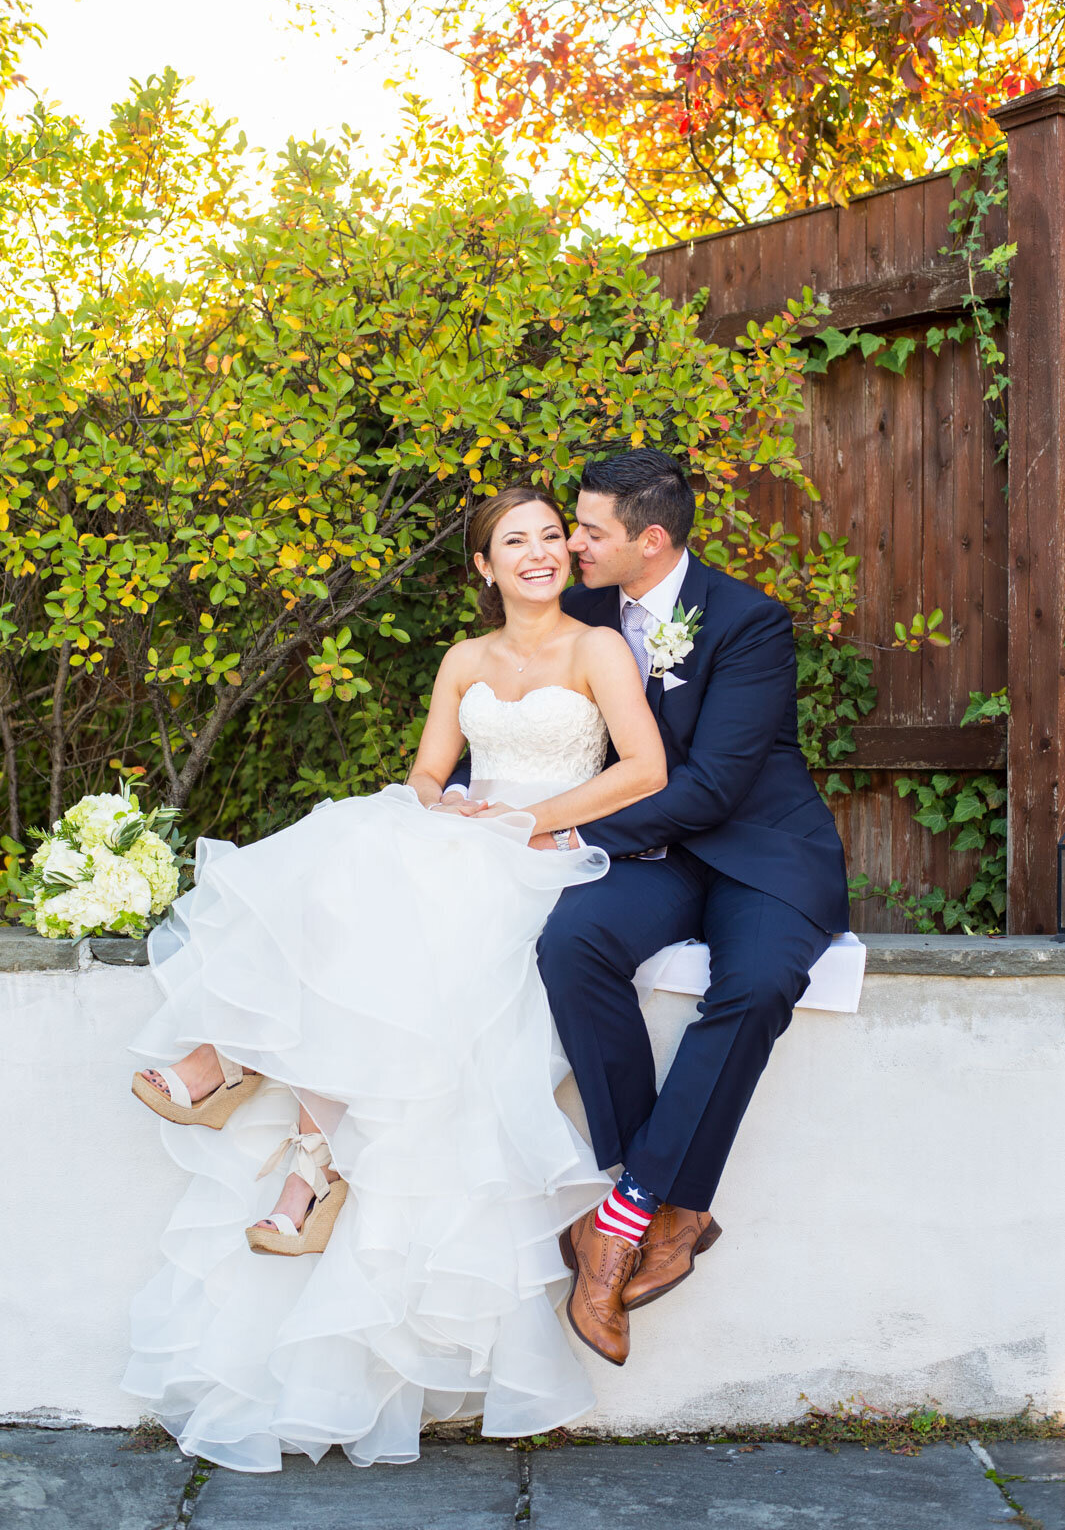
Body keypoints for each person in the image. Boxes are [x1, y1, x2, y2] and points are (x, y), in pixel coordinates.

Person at [125, 485, 668, 1472]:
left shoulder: (597, 649)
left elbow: (644, 770)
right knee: (358, 840)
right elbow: (428, 772)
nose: (542, 552)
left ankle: (275, 1114)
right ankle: (271, 1101)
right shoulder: (465, 659)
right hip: (470, 837)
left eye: (553, 536)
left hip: (548, 851)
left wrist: (522, 821)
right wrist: (445, 805)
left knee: (390, 895)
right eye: (518, 541)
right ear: (483, 566)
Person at [444, 448, 849, 1368]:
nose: (569, 545)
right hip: (646, 859)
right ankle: (666, 1199)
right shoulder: (580, 610)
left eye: (587, 531)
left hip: (755, 853)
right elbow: (519, 706)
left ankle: (618, 1218)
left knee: (751, 988)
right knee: (572, 943)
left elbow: (709, 788)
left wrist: (551, 831)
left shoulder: (749, 622)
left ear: (649, 540)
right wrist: (476, 799)